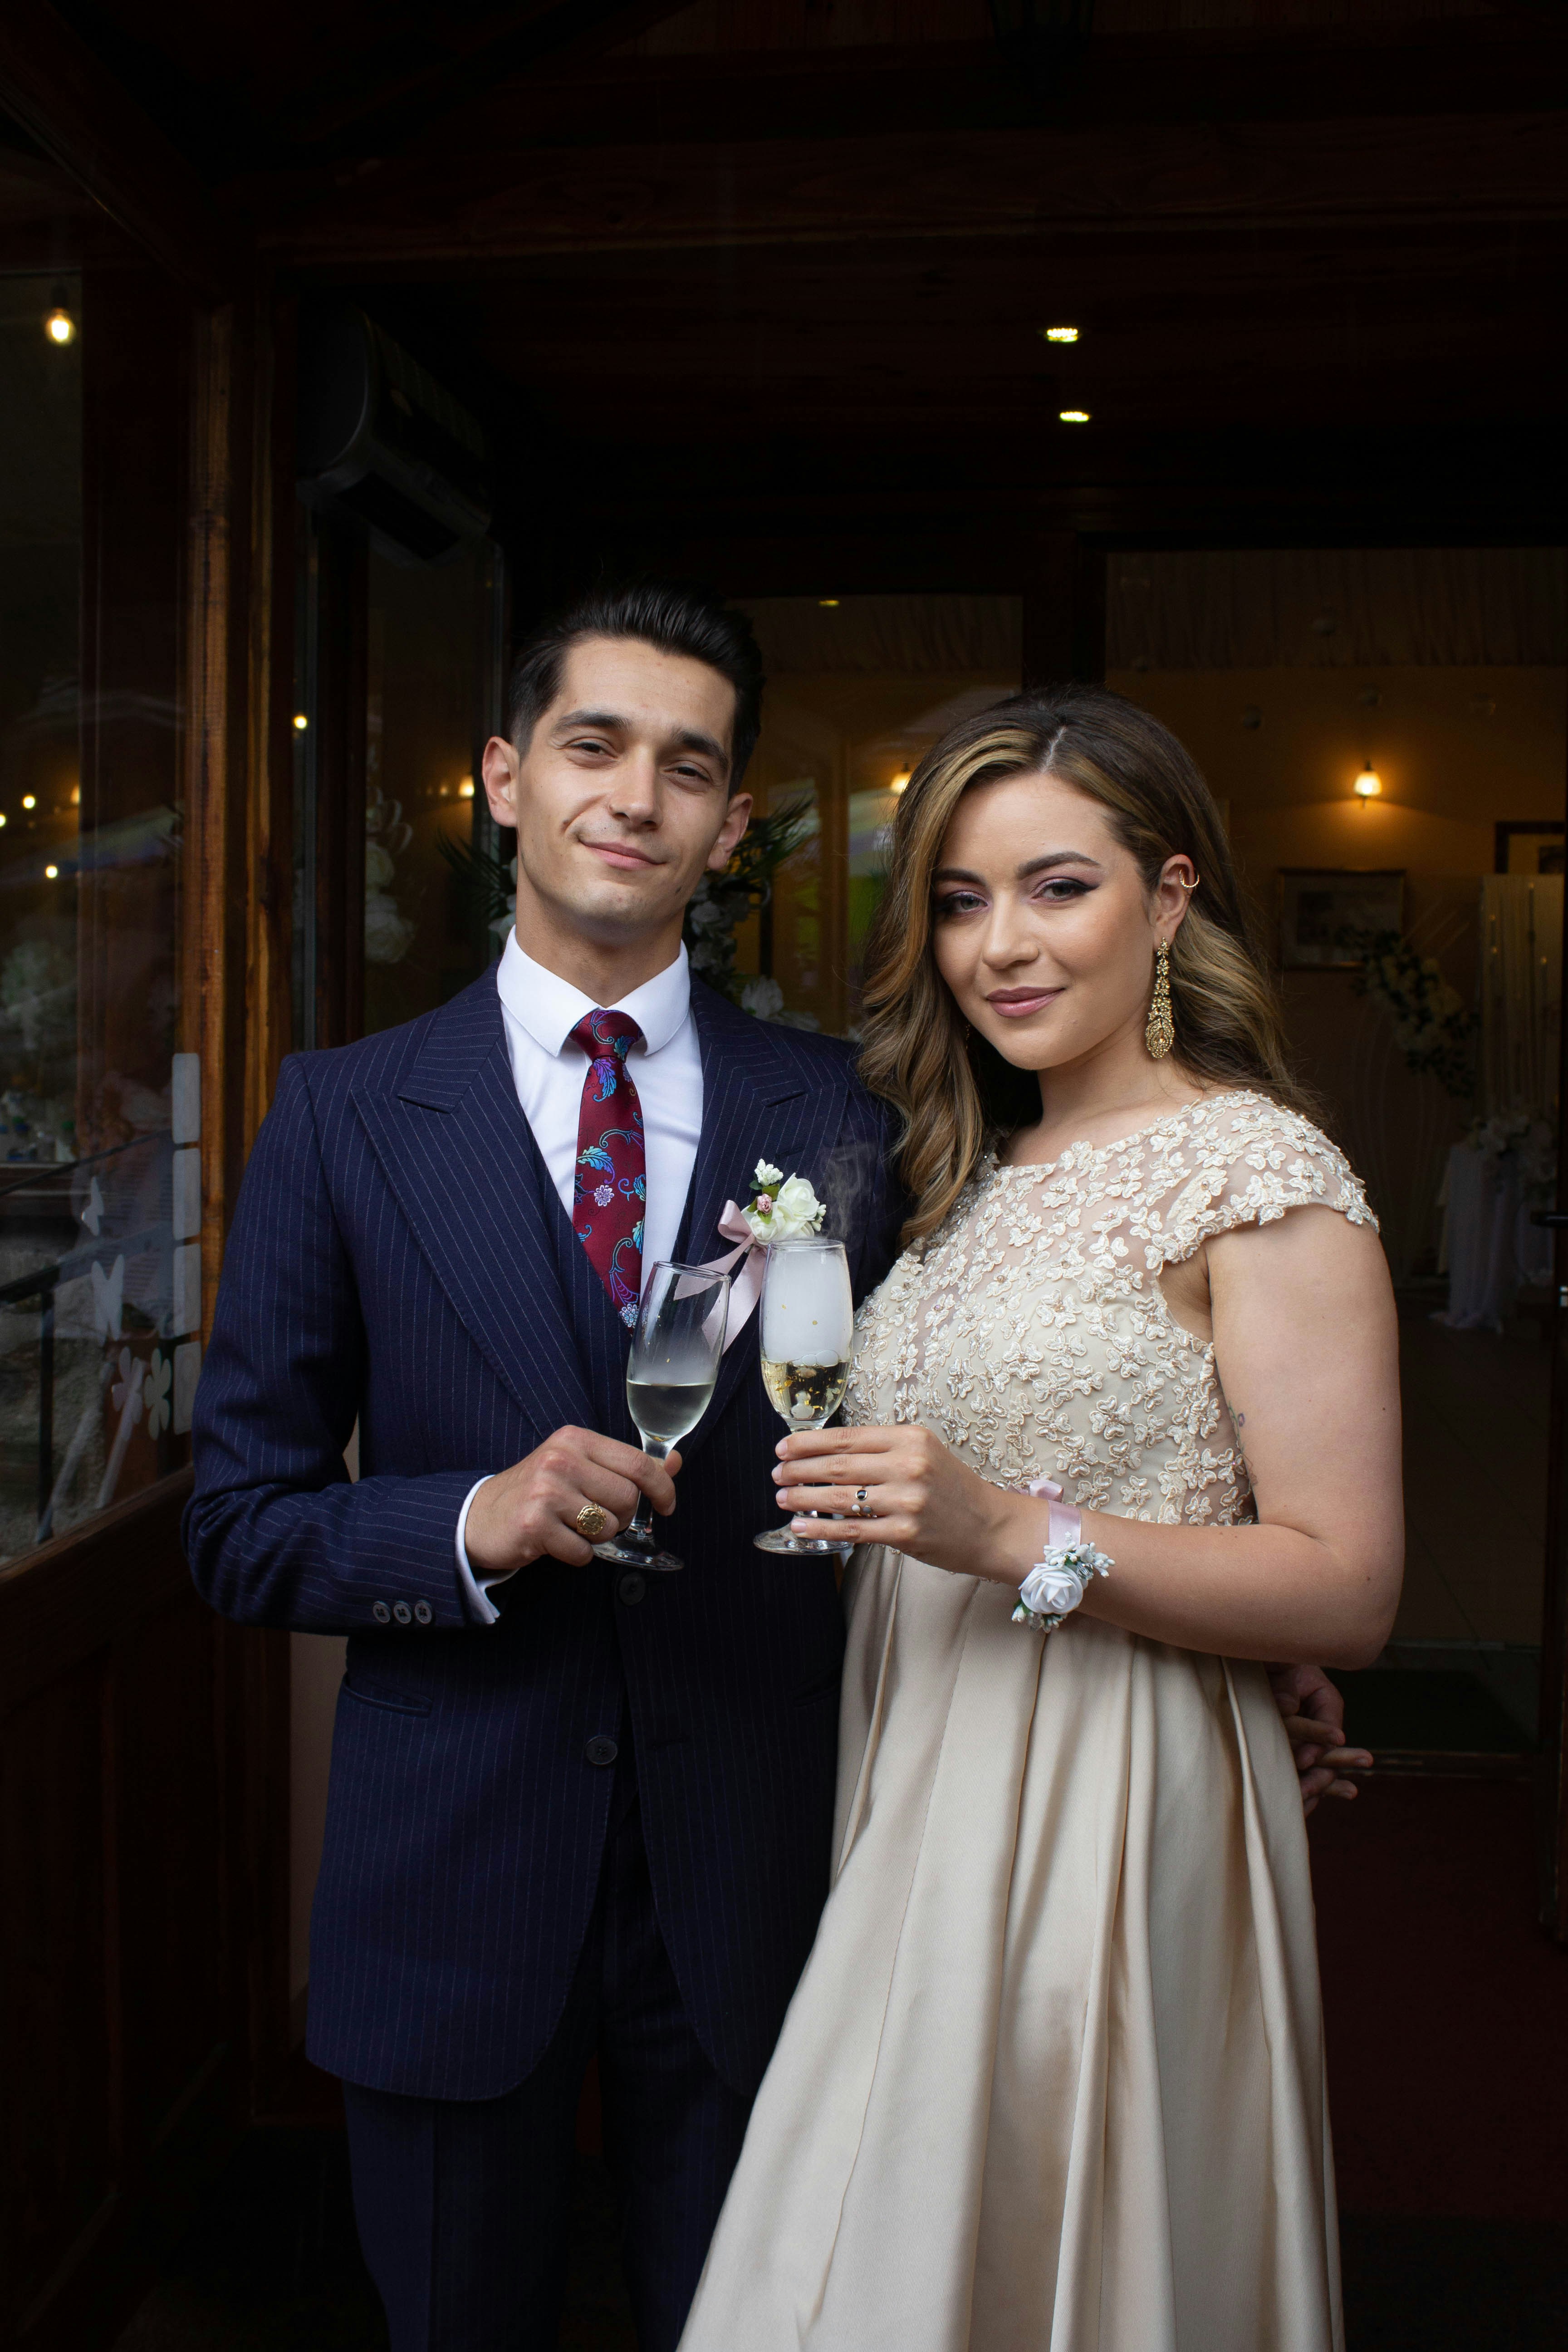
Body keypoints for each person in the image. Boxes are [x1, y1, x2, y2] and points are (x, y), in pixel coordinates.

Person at [186, 596, 1363, 2352]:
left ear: (734, 825)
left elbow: (1055, 1382)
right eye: (593, 747)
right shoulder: (342, 1114)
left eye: (690, 766)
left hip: (783, 1864)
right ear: (506, 780)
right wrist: (465, 1521)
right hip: (454, 1886)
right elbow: (237, 1525)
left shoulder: (863, 1114)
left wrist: (1253, 1628)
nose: (635, 796)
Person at [678, 687, 1401, 2352]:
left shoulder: (1257, 1176)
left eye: (1056, 887)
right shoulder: (968, 1174)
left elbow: (1347, 1583)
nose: (1000, 943)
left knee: (1050, 2243)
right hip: (915, 1763)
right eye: (958, 897)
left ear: (1168, 894)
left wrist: (1017, 1535)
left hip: (1104, 1795)